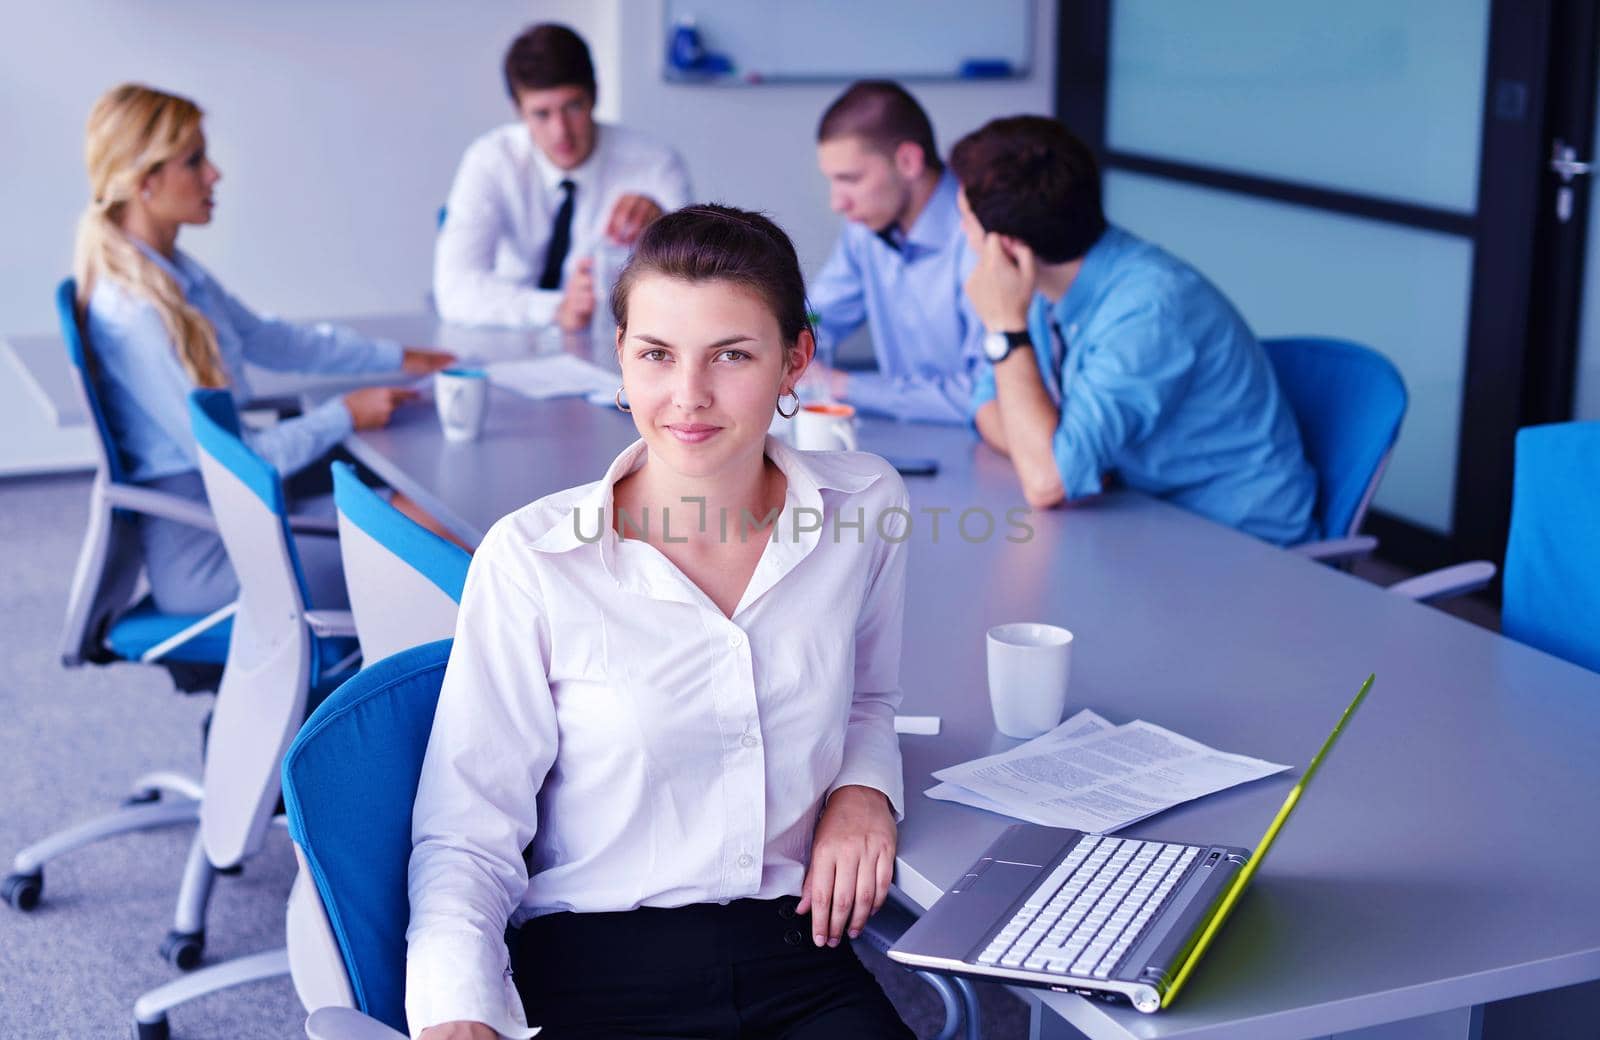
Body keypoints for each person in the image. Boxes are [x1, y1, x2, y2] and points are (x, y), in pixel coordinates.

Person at [406, 205, 914, 1039]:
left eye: (733, 356)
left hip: (796, 952)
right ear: (621, 359)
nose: (688, 397)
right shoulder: (534, 560)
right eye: (656, 355)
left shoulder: (864, 505)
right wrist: (457, 1014)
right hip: (593, 964)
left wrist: (865, 790)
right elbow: (467, 832)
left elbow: (870, 695)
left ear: (796, 362)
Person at [75, 83, 456, 614]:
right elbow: (238, 464)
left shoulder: (172, 274)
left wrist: (396, 358)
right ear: (146, 182)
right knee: (439, 540)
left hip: (242, 514)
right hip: (212, 548)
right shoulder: (137, 314)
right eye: (195, 161)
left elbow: (268, 340)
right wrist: (342, 413)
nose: (214, 174)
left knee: (425, 515)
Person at [952, 116, 1317, 545]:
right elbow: (984, 406)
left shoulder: (1151, 309)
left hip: (1245, 549)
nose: (961, 233)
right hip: (1142, 522)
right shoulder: (1037, 284)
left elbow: (1047, 481)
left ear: (1007, 244)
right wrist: (1054, 450)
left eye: (965, 220)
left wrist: (1006, 330)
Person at [434, 23, 692, 330]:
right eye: (541, 114)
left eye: (573, 107)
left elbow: (689, 293)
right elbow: (455, 292)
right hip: (510, 332)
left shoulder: (654, 163)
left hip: (611, 342)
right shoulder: (491, 160)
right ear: (518, 111)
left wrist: (663, 235)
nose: (561, 131)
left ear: (595, 96)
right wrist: (557, 309)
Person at [807, 81, 984, 424]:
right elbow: (817, 319)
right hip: (907, 438)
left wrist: (843, 385)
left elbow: (986, 398)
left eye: (851, 179)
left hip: (982, 450)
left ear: (907, 161)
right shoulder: (865, 229)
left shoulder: (979, 236)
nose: (837, 203)